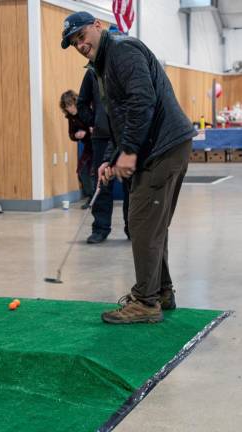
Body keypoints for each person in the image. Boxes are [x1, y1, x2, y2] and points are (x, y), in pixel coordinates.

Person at [61, 12, 197, 323]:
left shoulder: (122, 51)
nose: (80, 45)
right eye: (74, 43)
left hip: (163, 148)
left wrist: (130, 152)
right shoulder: (104, 64)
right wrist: (110, 158)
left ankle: (146, 302)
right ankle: (161, 291)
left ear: (97, 25)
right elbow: (118, 119)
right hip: (161, 147)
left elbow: (142, 101)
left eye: (81, 36)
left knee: (142, 223)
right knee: (149, 222)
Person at [77, 67, 130, 243]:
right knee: (102, 183)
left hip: (124, 134)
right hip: (102, 136)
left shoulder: (124, 67)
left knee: (130, 183)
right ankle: (100, 228)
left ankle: (132, 228)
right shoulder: (92, 72)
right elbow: (81, 103)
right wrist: (95, 121)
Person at [59, 90, 93, 209]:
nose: (70, 109)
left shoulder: (86, 110)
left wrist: (86, 133)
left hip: (96, 143)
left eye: (71, 105)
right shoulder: (70, 117)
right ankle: (91, 196)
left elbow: (95, 127)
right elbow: (71, 134)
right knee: (82, 170)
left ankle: (96, 198)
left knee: (93, 170)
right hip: (88, 145)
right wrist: (76, 135)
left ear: (75, 102)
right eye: (67, 106)